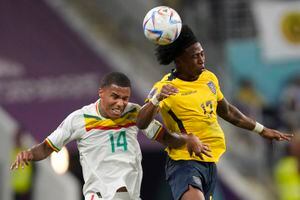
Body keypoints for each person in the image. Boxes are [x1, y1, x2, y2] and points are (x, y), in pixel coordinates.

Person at [136, 25, 293, 200]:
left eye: (202, 53)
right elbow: (141, 122)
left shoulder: (209, 78)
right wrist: (157, 99)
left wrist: (262, 130)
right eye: (195, 56)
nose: (201, 59)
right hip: (184, 162)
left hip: (210, 162)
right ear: (179, 60)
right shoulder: (165, 87)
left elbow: (228, 112)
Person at [10, 72, 204, 200]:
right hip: (100, 194)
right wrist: (28, 153)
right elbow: (47, 147)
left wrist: (187, 140)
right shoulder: (80, 119)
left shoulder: (134, 114)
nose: (120, 103)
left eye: (125, 98)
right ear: (101, 93)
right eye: (115, 97)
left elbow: (166, 138)